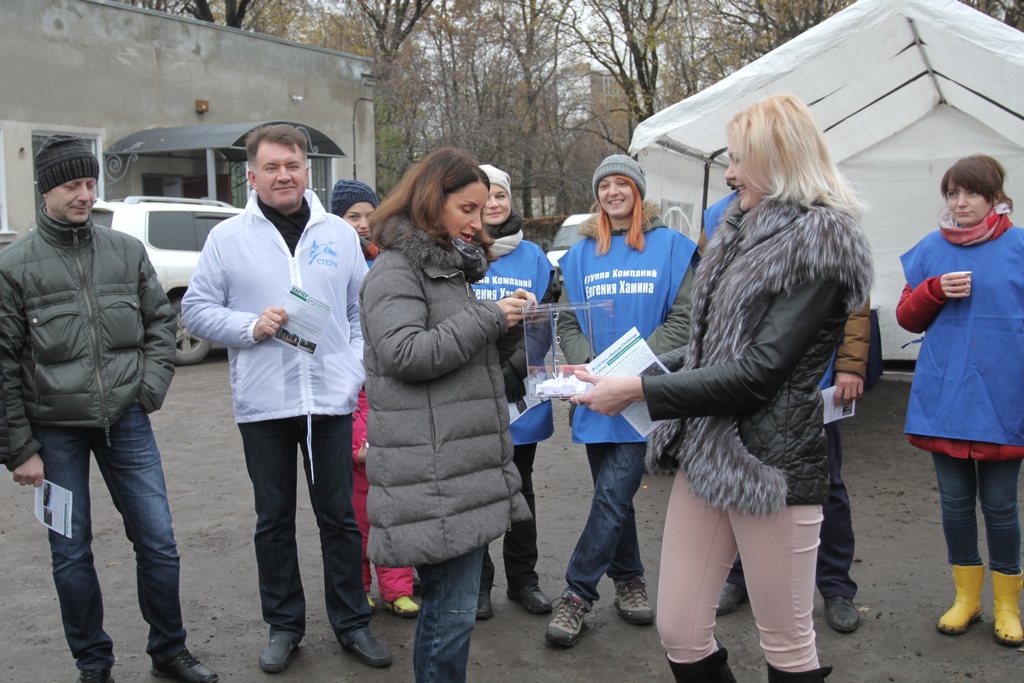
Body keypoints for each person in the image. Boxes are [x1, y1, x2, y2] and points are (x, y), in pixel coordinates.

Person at [572, 94, 872, 682]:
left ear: (780, 159)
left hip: (772, 466)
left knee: (785, 642)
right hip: (706, 454)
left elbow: (761, 370)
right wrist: (628, 374)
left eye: (739, 160)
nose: (729, 173)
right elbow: (714, 348)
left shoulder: (821, 240)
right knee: (679, 629)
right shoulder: (737, 233)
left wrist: (639, 391)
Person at [0, 135, 218, 683]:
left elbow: (161, 324)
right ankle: (93, 663)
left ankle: (170, 650)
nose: (84, 194)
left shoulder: (125, 251)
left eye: (91, 183)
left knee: (159, 542)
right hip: (53, 433)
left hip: (126, 420)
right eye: (73, 184)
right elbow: (2, 364)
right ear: (46, 189)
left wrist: (147, 389)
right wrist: (20, 449)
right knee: (70, 555)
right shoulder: (14, 267)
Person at [180, 124, 391, 673]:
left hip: (329, 402)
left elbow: (359, 310)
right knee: (272, 520)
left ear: (306, 170)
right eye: (271, 167)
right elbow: (196, 310)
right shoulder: (228, 238)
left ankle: (351, 623)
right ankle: (284, 626)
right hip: (265, 405)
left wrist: (353, 366)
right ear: (251, 176)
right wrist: (251, 326)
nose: (283, 176)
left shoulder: (339, 235)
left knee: (339, 518)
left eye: (292, 165)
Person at [359, 147, 533, 683]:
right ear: (433, 202)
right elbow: (405, 354)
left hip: (457, 467)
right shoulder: (394, 270)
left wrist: (515, 334)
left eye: (483, 211)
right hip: (434, 474)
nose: (478, 222)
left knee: (450, 611)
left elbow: (456, 361)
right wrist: (488, 319)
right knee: (449, 614)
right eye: (467, 209)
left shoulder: (445, 270)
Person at [546, 154, 699, 647]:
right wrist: (591, 368)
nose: (613, 192)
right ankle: (630, 579)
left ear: (638, 191)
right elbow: (566, 320)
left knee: (612, 494)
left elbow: (685, 318)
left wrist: (630, 370)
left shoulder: (673, 248)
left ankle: (576, 594)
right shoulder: (580, 253)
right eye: (605, 184)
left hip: (644, 394)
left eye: (622, 184)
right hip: (595, 394)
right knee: (614, 498)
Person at [896, 154, 1023, 647]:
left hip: (1003, 397)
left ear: (995, 197)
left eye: (971, 192)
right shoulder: (932, 248)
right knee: (953, 504)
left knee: (1000, 505)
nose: (960, 202)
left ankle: (1007, 605)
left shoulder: (1018, 246)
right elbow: (908, 317)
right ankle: (966, 599)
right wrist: (933, 290)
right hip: (945, 397)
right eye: (952, 193)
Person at [329, 179, 419, 619]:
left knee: (397, 512)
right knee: (357, 517)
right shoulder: (333, 265)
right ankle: (361, 585)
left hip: (391, 388)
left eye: (369, 214)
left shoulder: (393, 260)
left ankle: (398, 584)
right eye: (352, 217)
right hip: (352, 398)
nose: (363, 225)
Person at [471, 164, 556, 619]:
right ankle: (478, 585)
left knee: (520, 488)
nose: (493, 204)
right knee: (480, 489)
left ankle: (524, 580)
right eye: (485, 196)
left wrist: (511, 373)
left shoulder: (534, 257)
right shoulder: (458, 251)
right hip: (470, 390)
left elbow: (544, 326)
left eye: (500, 195)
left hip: (519, 392)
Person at [331, 179, 380, 265]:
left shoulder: (389, 250)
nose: (364, 225)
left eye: (370, 216)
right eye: (354, 217)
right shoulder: (329, 257)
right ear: (338, 219)